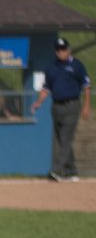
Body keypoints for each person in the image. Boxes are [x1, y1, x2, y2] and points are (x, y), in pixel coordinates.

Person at [31, 37, 91, 182]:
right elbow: (46, 88)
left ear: (68, 50)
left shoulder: (76, 65)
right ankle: (71, 171)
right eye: (58, 50)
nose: (61, 52)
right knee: (60, 139)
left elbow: (86, 86)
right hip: (56, 106)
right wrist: (38, 102)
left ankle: (57, 171)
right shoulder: (51, 68)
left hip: (72, 105)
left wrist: (86, 105)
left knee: (65, 138)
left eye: (63, 49)